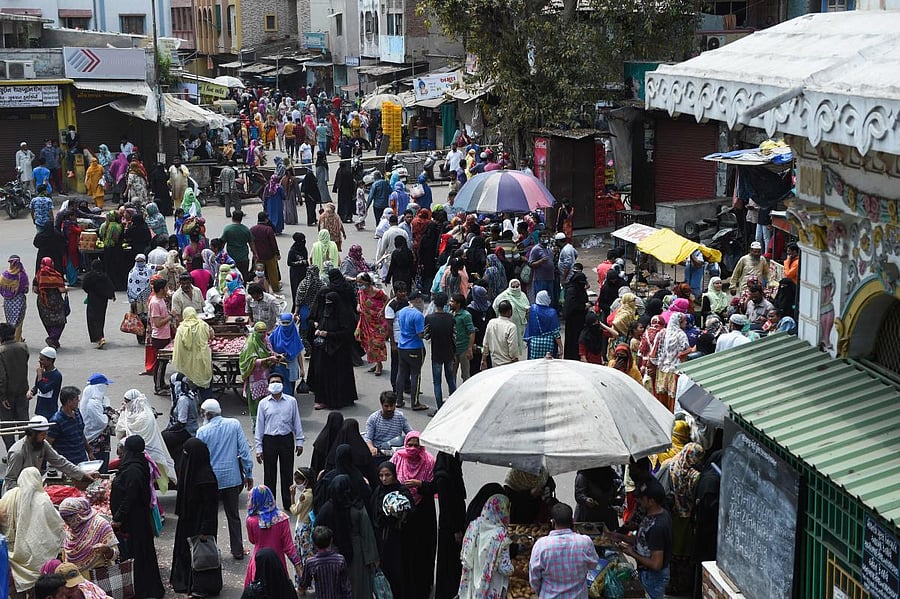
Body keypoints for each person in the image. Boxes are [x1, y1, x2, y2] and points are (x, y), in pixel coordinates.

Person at [197, 398, 255, 560]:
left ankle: (211, 551)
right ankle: (237, 549)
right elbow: (244, 451)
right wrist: (248, 473)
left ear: (206, 414)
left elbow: (200, 458)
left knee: (210, 515)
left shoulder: (202, 431)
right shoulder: (234, 424)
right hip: (232, 478)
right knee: (233, 516)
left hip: (211, 480)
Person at [110, 435, 166, 599]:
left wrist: (119, 517)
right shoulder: (136, 463)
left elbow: (131, 496)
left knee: (140, 554)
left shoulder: (134, 469)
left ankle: (144, 590)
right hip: (137, 518)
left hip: (136, 520)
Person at [170, 437, 222, 596]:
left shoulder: (206, 478)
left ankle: (200, 585)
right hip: (187, 520)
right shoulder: (191, 473)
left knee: (200, 556)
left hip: (199, 524)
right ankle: (185, 581)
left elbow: (211, 507)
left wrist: (205, 530)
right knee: (186, 552)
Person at [0, 467, 65, 594]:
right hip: (35, 555)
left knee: (13, 589)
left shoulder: (9, 495)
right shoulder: (43, 500)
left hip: (12, 555)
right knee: (36, 589)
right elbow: (56, 525)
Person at [391, 431, 438, 598]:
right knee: (404, 552)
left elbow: (435, 486)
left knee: (422, 552)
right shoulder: (398, 458)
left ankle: (422, 588)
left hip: (423, 513)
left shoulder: (429, 461)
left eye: (416, 445)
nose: (412, 449)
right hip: (402, 514)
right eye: (409, 445)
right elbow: (387, 476)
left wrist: (421, 485)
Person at [4, 414, 93, 493]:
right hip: (17, 494)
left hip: (33, 488)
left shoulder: (43, 444)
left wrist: (82, 475)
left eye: (46, 434)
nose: (45, 437)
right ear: (32, 434)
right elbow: (10, 481)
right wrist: (25, 495)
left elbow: (60, 462)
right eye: (42, 435)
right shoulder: (18, 452)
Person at [255, 374, 305, 510]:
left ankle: (288, 504)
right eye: (272, 382)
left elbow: (297, 422)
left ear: (282, 385)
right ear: (269, 385)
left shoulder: (291, 401)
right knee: (269, 474)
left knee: (287, 473)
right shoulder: (263, 403)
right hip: (269, 440)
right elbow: (259, 427)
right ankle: (269, 504)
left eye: (278, 381)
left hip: (286, 439)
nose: (275, 383)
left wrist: (299, 441)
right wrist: (259, 448)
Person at [529, 502, 599, 598]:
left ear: (552, 522)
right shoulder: (585, 542)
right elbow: (593, 565)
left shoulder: (541, 545)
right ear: (572, 521)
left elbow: (534, 579)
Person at [618, 479, 672, 599]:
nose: (639, 501)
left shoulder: (658, 526)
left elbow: (656, 564)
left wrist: (633, 554)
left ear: (651, 501)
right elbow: (644, 540)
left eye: (642, 499)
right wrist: (620, 537)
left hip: (653, 577)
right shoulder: (654, 514)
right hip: (647, 574)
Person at [308, 291, 359, 410]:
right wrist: (318, 331)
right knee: (323, 375)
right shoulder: (326, 313)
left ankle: (342, 399)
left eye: (330, 303)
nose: (328, 305)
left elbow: (346, 333)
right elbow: (321, 324)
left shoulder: (343, 316)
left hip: (339, 351)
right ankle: (324, 400)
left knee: (339, 376)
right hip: (325, 351)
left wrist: (329, 334)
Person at [458, 493, 514, 599]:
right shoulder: (501, 534)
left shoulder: (474, 525)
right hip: (491, 587)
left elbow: (465, 556)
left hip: (472, 583)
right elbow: (504, 568)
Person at [244, 485, 302, 585]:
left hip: (259, 561)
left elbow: (252, 540)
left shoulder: (251, 520)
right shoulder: (282, 518)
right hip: (278, 562)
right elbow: (289, 547)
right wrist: (298, 565)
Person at [435, 452, 467, 598]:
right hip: (450, 528)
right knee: (450, 562)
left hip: (454, 525)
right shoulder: (443, 478)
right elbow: (446, 507)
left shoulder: (452, 473)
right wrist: (456, 530)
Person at [59, 496, 118, 572]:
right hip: (75, 578)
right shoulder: (71, 529)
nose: (67, 522)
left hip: (98, 576)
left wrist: (106, 550)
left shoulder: (101, 526)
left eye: (69, 517)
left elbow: (115, 555)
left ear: (81, 513)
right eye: (64, 518)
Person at [395, 290, 429, 410]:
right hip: (415, 347)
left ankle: (399, 400)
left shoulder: (403, 311)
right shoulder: (418, 315)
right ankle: (415, 403)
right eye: (421, 300)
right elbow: (420, 334)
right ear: (418, 300)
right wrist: (427, 332)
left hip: (402, 346)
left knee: (401, 373)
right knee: (415, 374)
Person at [297, 526, 352, 598]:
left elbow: (304, 583)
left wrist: (300, 589)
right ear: (331, 541)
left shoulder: (311, 562)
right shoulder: (340, 560)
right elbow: (346, 587)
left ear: (314, 543)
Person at [425, 292, 457, 412]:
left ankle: (439, 409)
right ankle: (454, 406)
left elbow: (427, 336)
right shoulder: (451, 318)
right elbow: (455, 336)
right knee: (450, 380)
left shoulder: (429, 318)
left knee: (437, 383)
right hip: (449, 353)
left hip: (436, 353)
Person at [652, 312, 691, 411]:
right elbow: (683, 353)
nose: (686, 323)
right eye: (684, 321)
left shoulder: (663, 333)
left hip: (663, 370)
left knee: (662, 399)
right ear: (679, 322)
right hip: (675, 371)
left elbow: (656, 350)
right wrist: (692, 350)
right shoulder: (681, 335)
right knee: (673, 400)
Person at [172, 306, 213, 390]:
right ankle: (206, 399)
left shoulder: (181, 329)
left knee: (189, 381)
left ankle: (191, 398)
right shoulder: (203, 325)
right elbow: (211, 334)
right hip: (202, 359)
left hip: (187, 361)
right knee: (203, 380)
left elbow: (178, 347)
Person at [355, 272, 389, 376]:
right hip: (366, 320)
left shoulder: (377, 292)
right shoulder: (361, 291)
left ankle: (379, 365)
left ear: (367, 282)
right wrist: (358, 305)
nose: (359, 285)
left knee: (376, 343)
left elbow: (387, 299)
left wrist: (382, 311)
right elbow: (359, 300)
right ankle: (376, 362)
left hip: (377, 322)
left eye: (360, 282)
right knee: (367, 341)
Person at [47, 386, 89, 465]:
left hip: (82, 461)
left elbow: (80, 434)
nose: (78, 401)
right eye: (76, 399)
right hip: (67, 465)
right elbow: (48, 444)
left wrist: (89, 452)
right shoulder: (56, 421)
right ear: (69, 402)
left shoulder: (77, 412)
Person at [33, 257, 68, 349]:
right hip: (56, 302)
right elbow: (62, 290)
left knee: (48, 322)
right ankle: (52, 338)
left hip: (42, 302)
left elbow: (35, 290)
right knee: (61, 321)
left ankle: (54, 340)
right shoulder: (55, 275)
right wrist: (66, 289)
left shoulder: (38, 275)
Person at [80, 259, 116, 349]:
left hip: (92, 299)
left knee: (92, 318)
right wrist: (111, 296)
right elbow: (110, 286)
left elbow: (84, 286)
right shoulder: (104, 276)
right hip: (102, 301)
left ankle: (98, 337)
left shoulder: (89, 276)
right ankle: (100, 335)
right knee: (100, 318)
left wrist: (90, 292)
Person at [574, 467, 621, 532]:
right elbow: (579, 495)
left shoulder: (609, 472)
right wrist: (586, 500)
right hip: (589, 515)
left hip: (607, 513)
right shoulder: (583, 475)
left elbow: (619, 486)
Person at [481, 300, 520, 369]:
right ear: (509, 312)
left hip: (495, 363)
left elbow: (485, 343)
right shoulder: (511, 327)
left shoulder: (491, 323)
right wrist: (515, 360)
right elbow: (513, 347)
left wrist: (483, 359)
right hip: (508, 364)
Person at [492, 279, 528, 353]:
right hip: (507, 325)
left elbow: (527, 306)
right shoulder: (503, 296)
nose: (515, 289)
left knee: (517, 342)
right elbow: (495, 306)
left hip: (520, 325)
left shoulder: (523, 296)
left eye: (517, 287)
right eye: (513, 287)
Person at [525, 290, 563, 359]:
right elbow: (556, 333)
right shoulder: (552, 312)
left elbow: (530, 326)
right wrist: (561, 347)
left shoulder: (532, 309)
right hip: (548, 344)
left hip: (534, 343)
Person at [250, 211, 281, 292]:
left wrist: (253, 252)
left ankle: (257, 288)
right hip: (269, 255)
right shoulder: (268, 229)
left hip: (258, 255)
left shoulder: (252, 229)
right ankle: (275, 288)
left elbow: (251, 242)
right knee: (273, 273)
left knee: (258, 273)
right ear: (266, 219)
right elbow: (273, 243)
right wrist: (277, 253)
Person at [29, 346, 63, 419]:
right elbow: (37, 385)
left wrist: (39, 375)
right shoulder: (41, 371)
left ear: (50, 361)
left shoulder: (56, 375)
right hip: (40, 409)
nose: (39, 361)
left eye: (42, 360)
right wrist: (32, 391)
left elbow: (44, 389)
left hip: (49, 411)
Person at [1, 255, 29, 342]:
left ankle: (11, 338)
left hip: (8, 302)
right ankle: (16, 340)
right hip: (19, 301)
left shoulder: (4, 275)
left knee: (9, 321)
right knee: (18, 322)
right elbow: (26, 290)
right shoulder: (22, 275)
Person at [222, 210, 256, 281]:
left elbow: (222, 243)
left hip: (231, 259)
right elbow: (251, 243)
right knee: (244, 278)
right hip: (244, 258)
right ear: (241, 218)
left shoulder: (227, 229)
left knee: (232, 278)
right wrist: (255, 254)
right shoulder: (246, 230)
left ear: (232, 218)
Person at [287, 232, 308, 312]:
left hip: (303, 272)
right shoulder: (292, 251)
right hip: (295, 273)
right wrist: (300, 263)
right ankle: (296, 308)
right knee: (296, 290)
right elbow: (289, 263)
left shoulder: (303, 248)